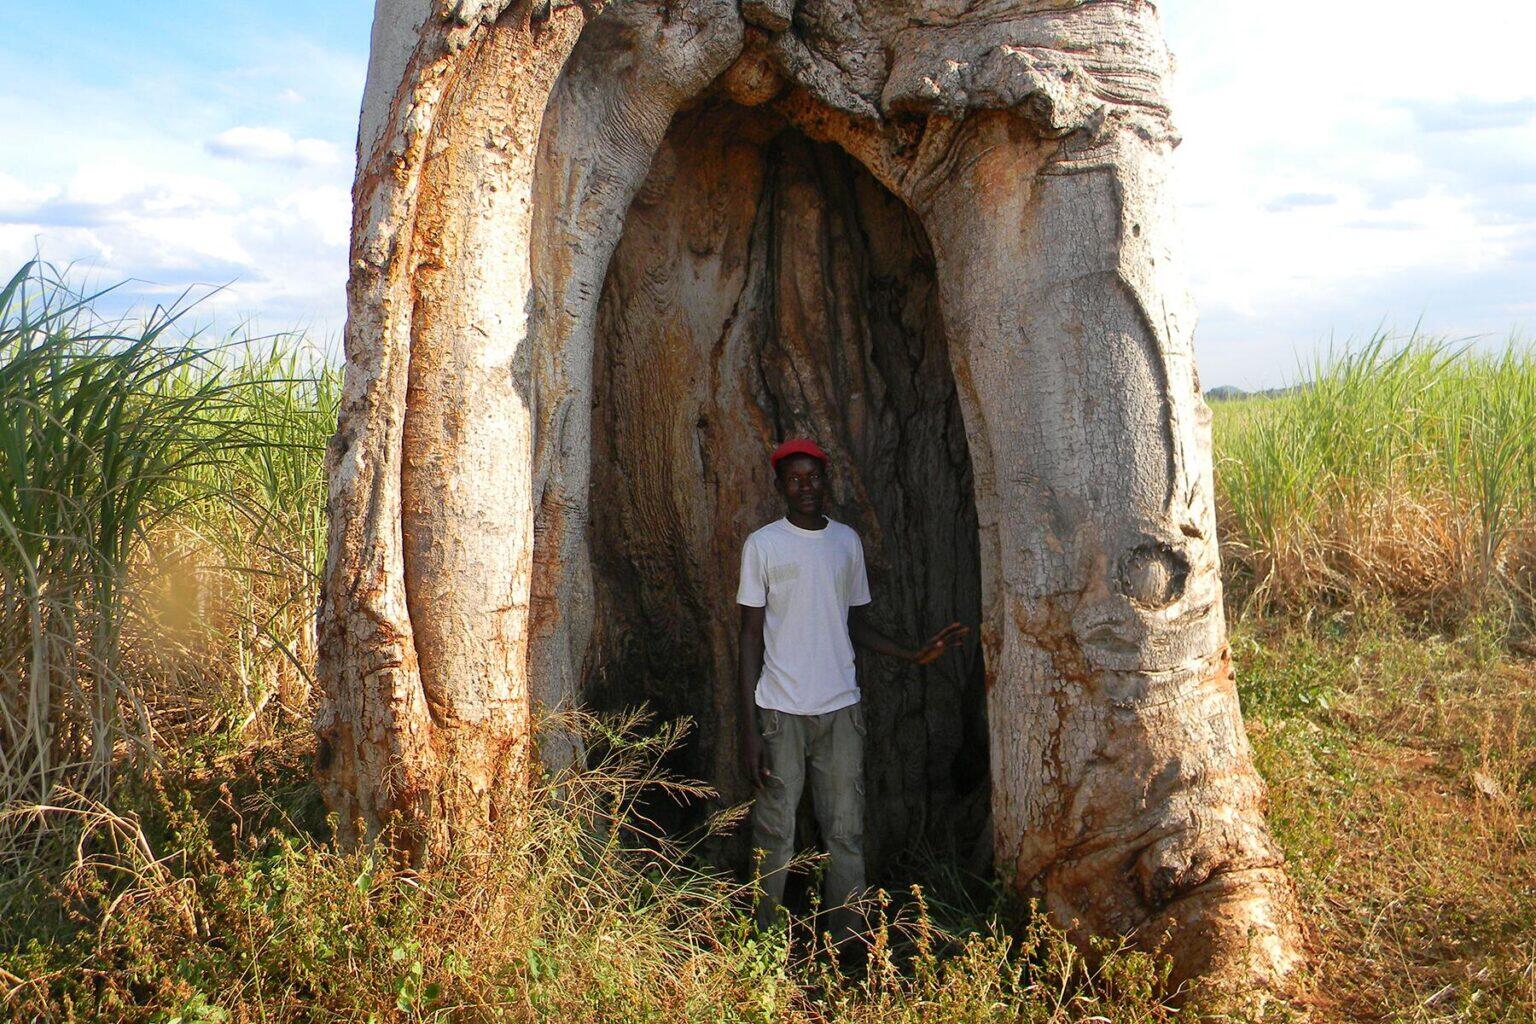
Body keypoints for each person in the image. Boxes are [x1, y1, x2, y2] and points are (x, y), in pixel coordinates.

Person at [736, 437, 968, 948]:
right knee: (774, 834)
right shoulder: (763, 545)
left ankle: (848, 945)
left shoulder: (846, 543)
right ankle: (761, 946)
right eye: (794, 479)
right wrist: (749, 731)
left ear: (826, 481)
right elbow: (750, 635)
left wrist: (910, 653)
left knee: (845, 833)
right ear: (780, 487)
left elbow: (854, 622)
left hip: (841, 708)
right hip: (779, 710)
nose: (806, 487)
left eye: (813, 477)